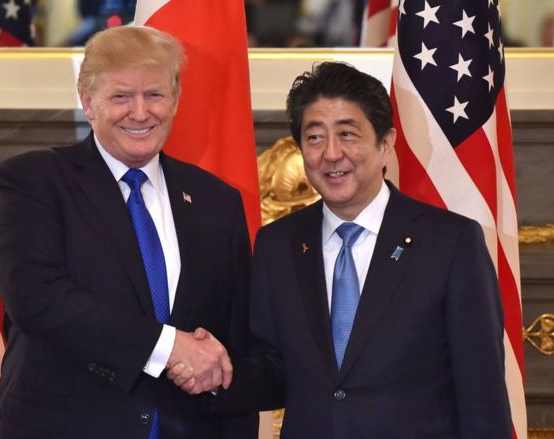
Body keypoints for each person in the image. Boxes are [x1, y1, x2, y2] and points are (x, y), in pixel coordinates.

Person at [170, 62, 512, 438]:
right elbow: (273, 370)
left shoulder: (451, 243)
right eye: (314, 138)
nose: (331, 154)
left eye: (347, 134)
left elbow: (482, 393)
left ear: (385, 144)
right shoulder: (278, 243)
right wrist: (214, 371)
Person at [0, 26, 257, 438]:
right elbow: (36, 298)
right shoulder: (35, 180)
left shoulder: (217, 201)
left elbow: (233, 344)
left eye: (154, 95)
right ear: (88, 102)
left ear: (176, 100)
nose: (140, 112)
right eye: (120, 96)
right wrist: (168, 347)